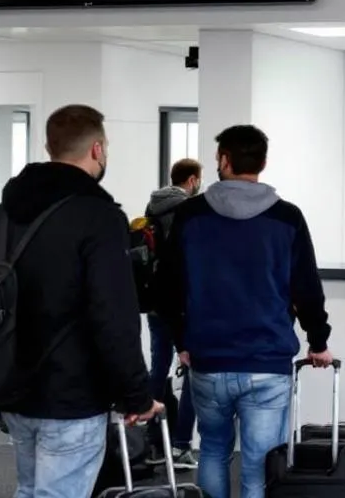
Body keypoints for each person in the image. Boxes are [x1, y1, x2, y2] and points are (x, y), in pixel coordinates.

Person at [0, 104, 160, 498]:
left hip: (11, 382)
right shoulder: (99, 216)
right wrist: (136, 394)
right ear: (97, 150)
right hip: (72, 390)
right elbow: (113, 315)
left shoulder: (3, 212)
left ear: (48, 146)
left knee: (29, 489)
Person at [155, 125, 333, 498]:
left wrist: (181, 341)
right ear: (263, 163)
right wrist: (318, 341)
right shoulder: (287, 218)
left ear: (224, 160)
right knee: (259, 464)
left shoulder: (191, 214)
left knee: (214, 452)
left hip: (208, 360)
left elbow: (169, 287)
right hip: (267, 362)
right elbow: (306, 288)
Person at [142, 158, 203, 470]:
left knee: (158, 368)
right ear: (192, 180)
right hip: (180, 301)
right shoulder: (188, 210)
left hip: (154, 301)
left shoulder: (152, 206)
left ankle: (153, 441)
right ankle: (180, 446)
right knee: (190, 368)